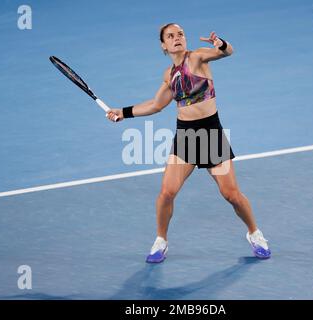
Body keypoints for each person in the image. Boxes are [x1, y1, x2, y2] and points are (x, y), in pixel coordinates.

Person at [106, 23, 271, 263]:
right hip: (186, 137)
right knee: (166, 193)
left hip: (210, 134)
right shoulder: (168, 74)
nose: (177, 38)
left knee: (231, 194)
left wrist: (221, 44)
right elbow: (156, 104)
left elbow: (227, 52)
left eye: (180, 34)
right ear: (164, 45)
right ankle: (160, 241)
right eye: (170, 36)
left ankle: (255, 233)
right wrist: (123, 112)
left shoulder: (197, 58)